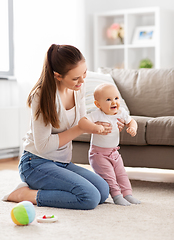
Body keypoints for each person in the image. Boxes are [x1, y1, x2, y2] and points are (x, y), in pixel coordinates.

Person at [2, 44, 125, 210]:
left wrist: (105, 124)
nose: (82, 81)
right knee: (89, 197)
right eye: (76, 78)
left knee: (103, 191)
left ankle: (50, 185)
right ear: (58, 76)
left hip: (63, 162)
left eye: (84, 73)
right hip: (36, 163)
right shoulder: (41, 96)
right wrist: (82, 128)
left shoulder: (78, 89)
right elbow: (43, 146)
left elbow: (83, 121)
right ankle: (24, 194)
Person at [78, 83, 141, 206]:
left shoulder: (121, 112)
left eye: (116, 98)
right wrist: (95, 127)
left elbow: (132, 121)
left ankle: (127, 194)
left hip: (114, 152)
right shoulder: (97, 114)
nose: (114, 102)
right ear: (98, 104)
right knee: (110, 176)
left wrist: (133, 127)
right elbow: (82, 122)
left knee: (121, 174)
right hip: (98, 154)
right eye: (108, 99)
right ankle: (117, 196)